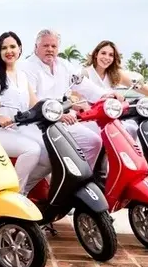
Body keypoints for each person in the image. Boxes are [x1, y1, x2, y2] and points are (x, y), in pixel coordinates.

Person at [0, 31, 52, 194]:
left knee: (51, 153)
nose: (9, 51)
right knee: (32, 150)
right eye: (4, 48)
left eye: (12, 47)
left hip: (18, 128)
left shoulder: (22, 75)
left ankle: (24, 189)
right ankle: (15, 194)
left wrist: (56, 111)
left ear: (20, 49)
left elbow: (35, 104)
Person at [18, 29, 103, 167]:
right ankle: (32, 182)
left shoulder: (64, 65)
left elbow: (84, 84)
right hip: (36, 124)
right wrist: (58, 115)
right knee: (51, 156)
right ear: (36, 47)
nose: (50, 49)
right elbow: (32, 102)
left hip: (62, 120)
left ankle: (82, 179)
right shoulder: (26, 67)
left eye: (54, 46)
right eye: (46, 45)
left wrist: (106, 95)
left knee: (93, 142)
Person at [78, 40, 148, 140]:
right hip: (90, 120)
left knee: (131, 129)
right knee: (98, 138)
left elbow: (139, 86)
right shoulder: (86, 73)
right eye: (103, 53)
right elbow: (75, 98)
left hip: (111, 117)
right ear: (96, 54)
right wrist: (82, 107)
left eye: (111, 55)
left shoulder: (114, 74)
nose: (107, 58)